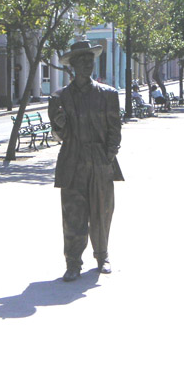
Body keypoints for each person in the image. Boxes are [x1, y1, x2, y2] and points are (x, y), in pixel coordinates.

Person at [48, 39, 124, 282]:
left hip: (100, 161)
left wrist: (109, 155)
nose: (88, 64)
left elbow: (115, 128)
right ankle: (73, 263)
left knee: (102, 211)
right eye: (82, 60)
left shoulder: (108, 94)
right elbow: (60, 135)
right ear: (72, 65)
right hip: (73, 162)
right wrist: (60, 127)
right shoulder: (59, 98)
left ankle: (102, 255)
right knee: (73, 215)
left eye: (90, 60)